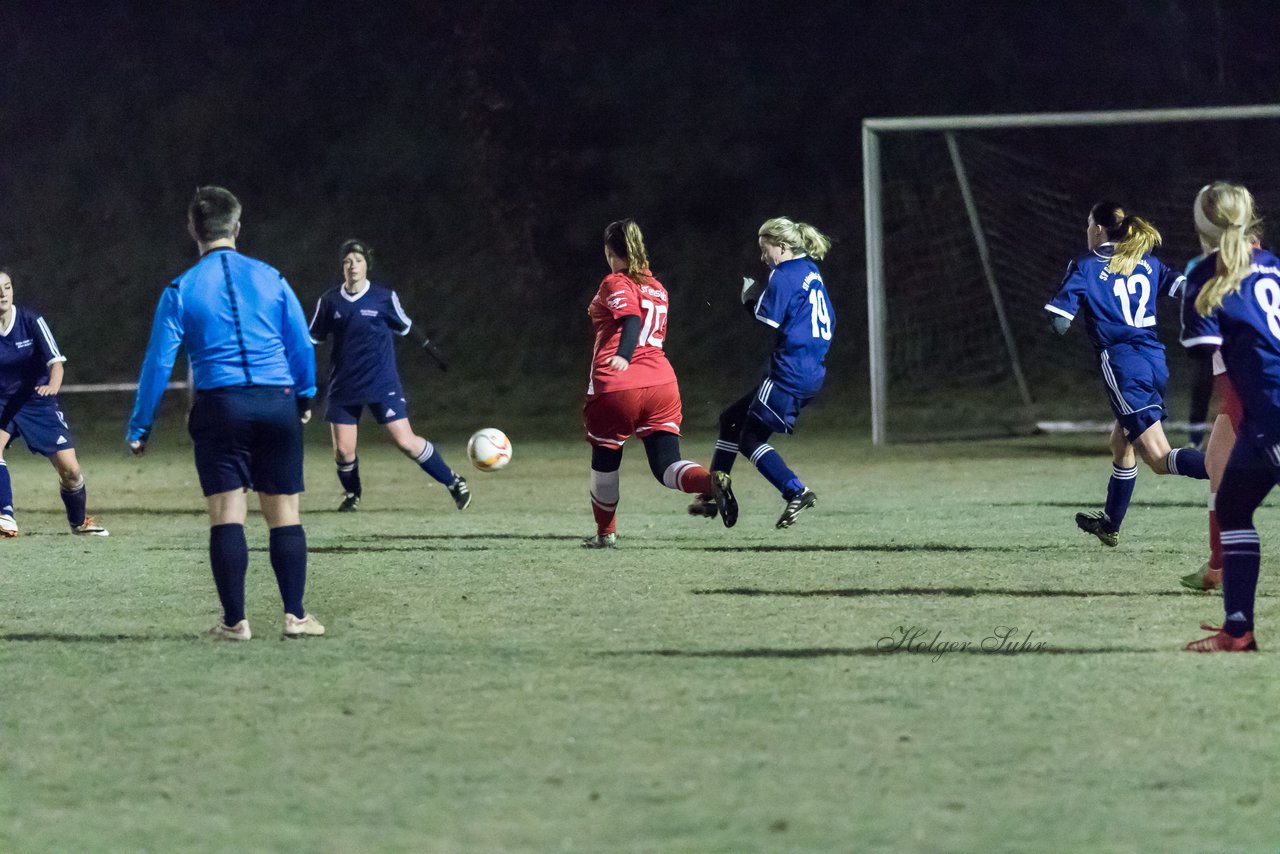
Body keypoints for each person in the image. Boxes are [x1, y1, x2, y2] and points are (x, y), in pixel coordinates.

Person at [127, 186, 323, 641]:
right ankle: (296, 616)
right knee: (285, 512)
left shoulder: (180, 289)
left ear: (193, 230)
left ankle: (235, 623)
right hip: (276, 401)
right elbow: (299, 341)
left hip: (220, 405)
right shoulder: (272, 278)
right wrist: (306, 395)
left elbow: (158, 362)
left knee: (226, 511)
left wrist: (141, 425)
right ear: (237, 227)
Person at [1044, 202, 1208, 547]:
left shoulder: (1086, 265)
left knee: (1160, 459)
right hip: (1153, 361)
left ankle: (1238, 469)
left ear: (1099, 229)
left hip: (1122, 364)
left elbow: (1060, 323)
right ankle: (1109, 524)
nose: (1087, 231)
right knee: (1120, 442)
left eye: (1089, 225)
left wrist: (1066, 311)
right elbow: (1185, 289)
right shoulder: (1147, 261)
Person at [582, 219, 734, 548]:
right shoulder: (657, 287)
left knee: (605, 460)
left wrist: (623, 354)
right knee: (667, 465)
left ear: (609, 251)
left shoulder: (615, 281)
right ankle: (709, 483)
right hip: (662, 383)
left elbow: (632, 318)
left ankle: (605, 533)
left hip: (619, 384)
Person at [1180, 182, 1277, 651]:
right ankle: (1236, 627)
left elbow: (1209, 366)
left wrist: (1201, 423)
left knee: (1235, 508)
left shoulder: (1204, 274)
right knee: (1234, 500)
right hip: (1264, 414)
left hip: (1270, 414)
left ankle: (1238, 630)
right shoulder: (1273, 265)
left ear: (1200, 227)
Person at [690, 216, 834, 529]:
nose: (763, 256)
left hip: (789, 371)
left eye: (765, 249)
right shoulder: (810, 270)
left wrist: (750, 297)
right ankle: (712, 493)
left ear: (782, 246)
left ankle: (796, 491)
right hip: (810, 369)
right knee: (731, 418)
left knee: (749, 438)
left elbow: (767, 318)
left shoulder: (784, 275)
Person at [308, 239, 470, 514]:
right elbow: (312, 339)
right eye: (347, 261)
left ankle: (454, 481)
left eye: (358, 261)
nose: (353, 266)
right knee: (343, 451)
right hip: (343, 385)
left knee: (405, 441)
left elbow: (406, 327)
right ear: (342, 267)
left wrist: (432, 351)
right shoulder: (329, 301)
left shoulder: (383, 297)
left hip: (381, 382)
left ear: (367, 265)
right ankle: (352, 495)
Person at [1178, 189, 1259, 592]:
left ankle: (1224, 573)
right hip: (1246, 392)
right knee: (1218, 465)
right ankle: (1218, 566)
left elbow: (1201, 349)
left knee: (1227, 480)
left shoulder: (1203, 269)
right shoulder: (1267, 261)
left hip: (1254, 390)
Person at [0, 270, 108, 538]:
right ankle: (5, 517)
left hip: (36, 400)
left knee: (70, 471)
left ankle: (79, 521)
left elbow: (55, 362)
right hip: (2, 402)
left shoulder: (30, 320)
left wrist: (53, 386)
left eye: (7, 287)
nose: (2, 293)